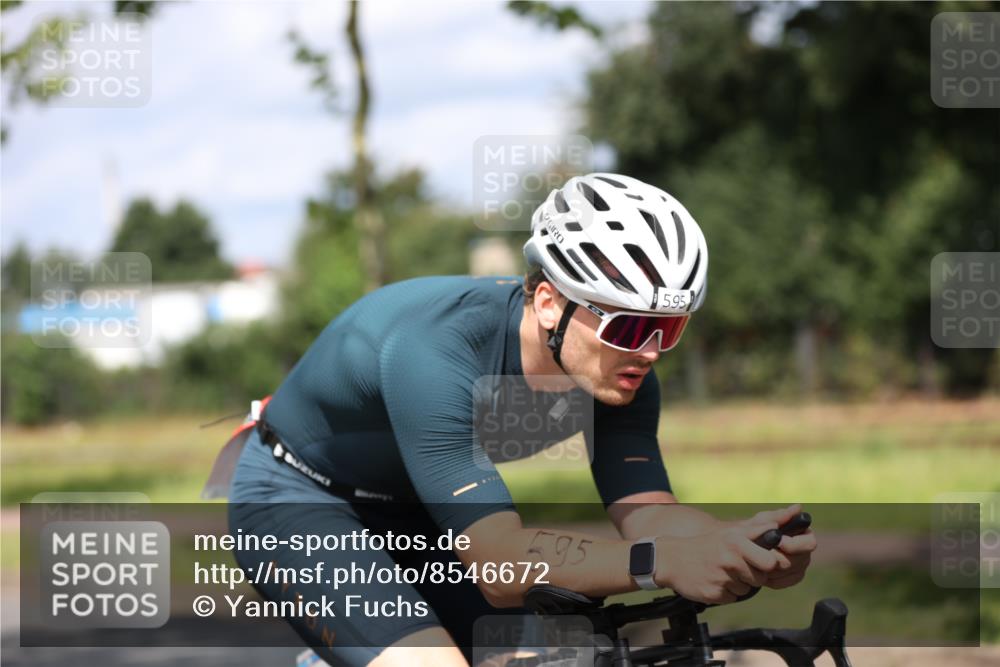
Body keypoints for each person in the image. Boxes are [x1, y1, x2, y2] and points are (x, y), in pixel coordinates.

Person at [225, 173, 816, 667]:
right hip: (303, 497)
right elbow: (499, 563)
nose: (652, 350)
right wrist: (658, 564)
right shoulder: (437, 351)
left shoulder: (619, 374)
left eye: (670, 327)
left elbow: (650, 517)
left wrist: (736, 548)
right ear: (549, 303)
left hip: (422, 512)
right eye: (630, 326)